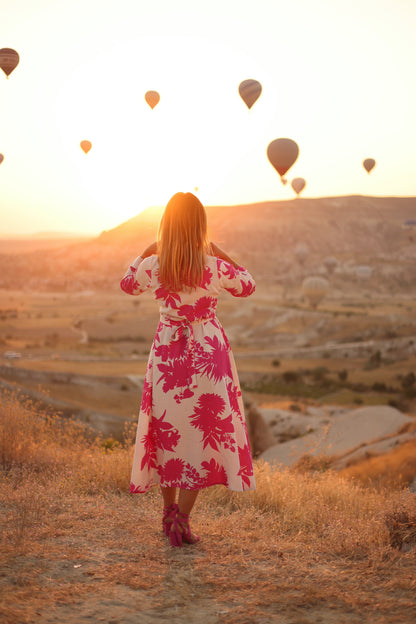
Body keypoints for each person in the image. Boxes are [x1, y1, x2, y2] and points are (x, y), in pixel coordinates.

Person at [120, 192, 256, 547]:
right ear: (201, 225)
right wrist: (220, 251)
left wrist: (148, 250)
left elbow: (127, 283)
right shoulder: (214, 266)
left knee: (168, 430)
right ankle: (183, 520)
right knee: (201, 432)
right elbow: (247, 285)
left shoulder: (156, 264)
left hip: (168, 351)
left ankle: (168, 515)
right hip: (208, 351)